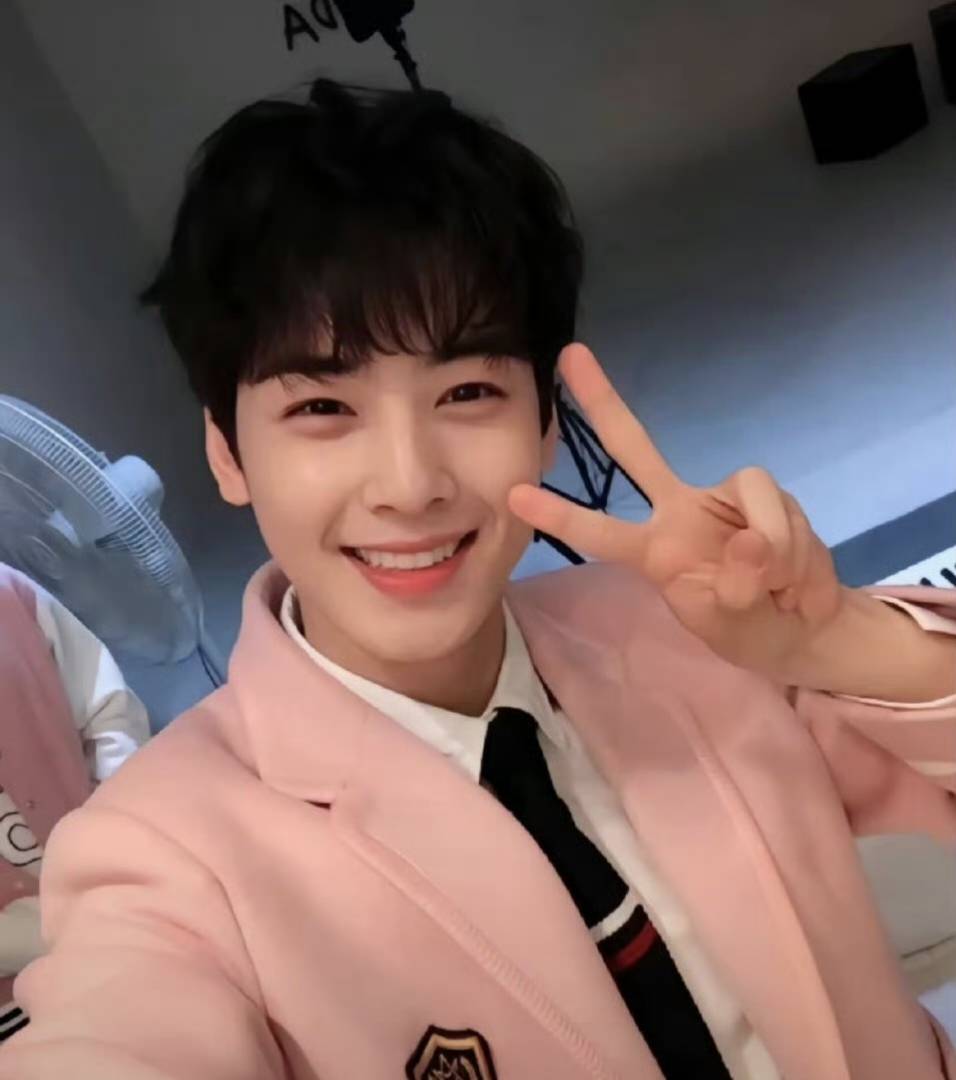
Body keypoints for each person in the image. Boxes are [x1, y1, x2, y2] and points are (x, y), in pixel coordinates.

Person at [0, 76, 953, 1080]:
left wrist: (840, 643)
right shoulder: (164, 860)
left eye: (465, 392)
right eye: (323, 409)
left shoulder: (696, 628)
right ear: (227, 453)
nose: (409, 485)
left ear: (545, 425)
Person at [0, 563, 149, 1043]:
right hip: (19, 1011)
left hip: (139, 917)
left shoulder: (10, 596)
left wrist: (122, 826)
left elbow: (108, 711)